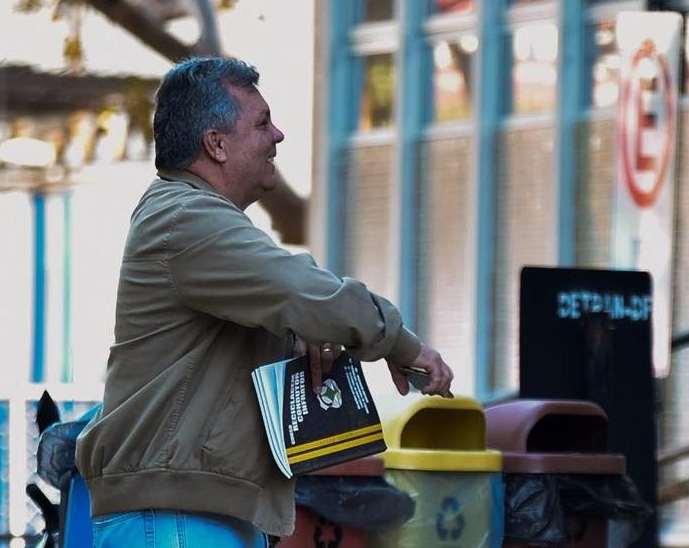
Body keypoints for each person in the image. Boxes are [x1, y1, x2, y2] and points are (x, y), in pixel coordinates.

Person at [75, 56, 454, 547]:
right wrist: (400, 344)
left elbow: (291, 289)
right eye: (261, 123)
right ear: (216, 145)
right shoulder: (184, 217)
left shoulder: (197, 219)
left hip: (193, 514)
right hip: (173, 520)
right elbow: (298, 289)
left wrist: (305, 332)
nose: (278, 135)